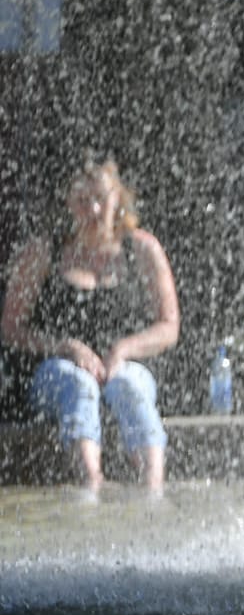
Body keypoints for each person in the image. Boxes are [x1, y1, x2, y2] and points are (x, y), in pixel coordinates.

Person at [2, 157, 180, 495]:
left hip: (125, 367)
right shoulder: (44, 252)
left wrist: (123, 349)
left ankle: (153, 488)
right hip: (55, 370)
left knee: (128, 384)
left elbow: (169, 327)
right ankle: (91, 482)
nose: (94, 209)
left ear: (119, 199)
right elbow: (11, 328)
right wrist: (65, 347)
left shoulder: (142, 249)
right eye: (83, 201)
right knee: (78, 383)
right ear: (69, 204)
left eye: (102, 199)